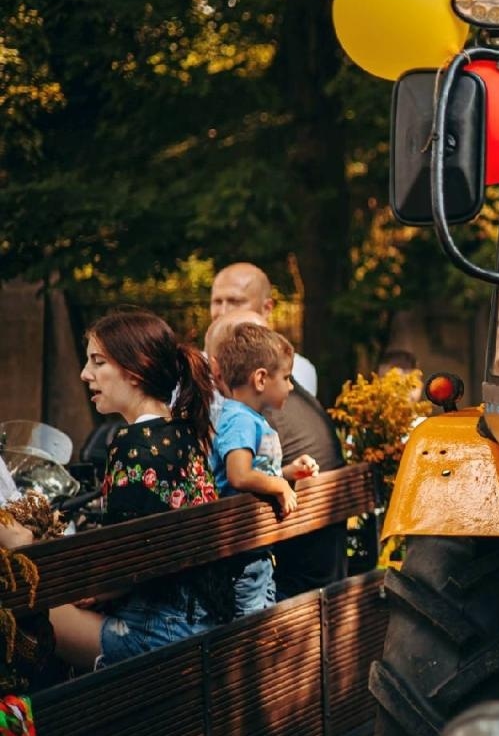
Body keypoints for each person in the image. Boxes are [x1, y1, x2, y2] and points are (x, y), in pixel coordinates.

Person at [44, 310, 238, 669]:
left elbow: (122, 570)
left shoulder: (134, 444)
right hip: (200, 618)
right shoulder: (184, 429)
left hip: (158, 632)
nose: (85, 374)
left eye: (97, 362)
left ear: (134, 371)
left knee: (32, 611)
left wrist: (91, 590)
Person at [208, 311, 347, 597]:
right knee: (251, 616)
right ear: (260, 379)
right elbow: (239, 474)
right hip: (240, 546)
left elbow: (255, 470)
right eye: (286, 377)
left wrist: (288, 472)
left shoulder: (253, 418)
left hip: (254, 541)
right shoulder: (240, 420)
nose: (291, 386)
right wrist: (280, 485)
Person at [209, 262, 319, 398]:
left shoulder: (295, 369)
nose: (223, 312)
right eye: (217, 302)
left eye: (235, 301)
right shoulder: (191, 369)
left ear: (266, 308)